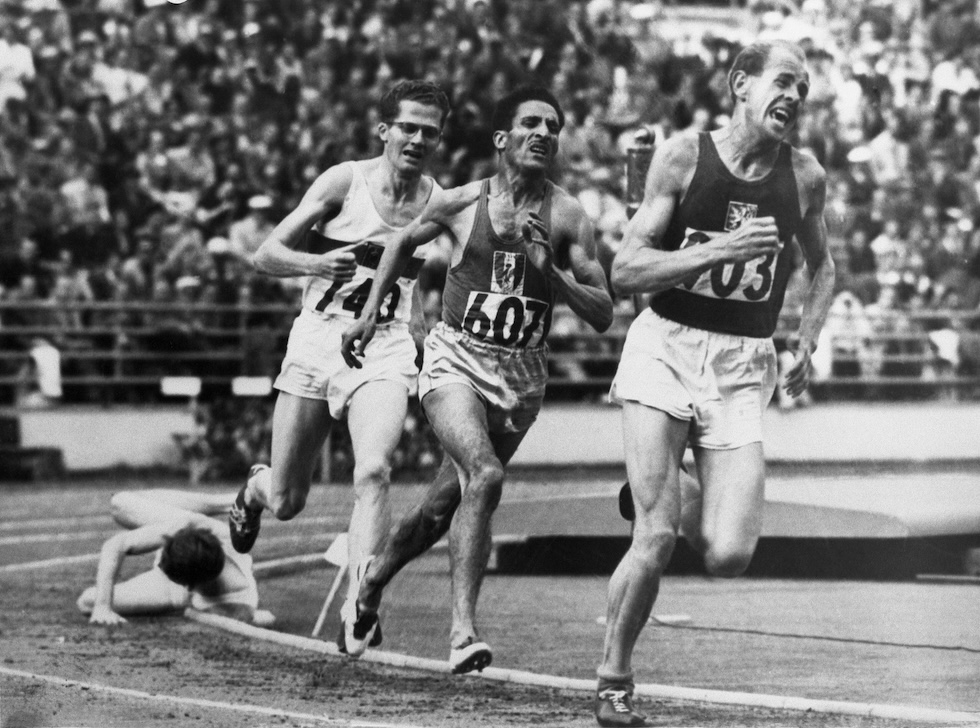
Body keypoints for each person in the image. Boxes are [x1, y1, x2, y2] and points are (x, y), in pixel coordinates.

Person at [595, 40, 836, 727]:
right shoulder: (682, 155)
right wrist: (716, 249)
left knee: (729, 554)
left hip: (741, 365)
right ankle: (614, 680)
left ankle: (671, 490)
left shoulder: (806, 176)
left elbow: (823, 268)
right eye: (783, 82)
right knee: (658, 536)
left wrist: (807, 338)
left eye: (804, 89)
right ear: (740, 84)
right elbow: (626, 272)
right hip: (666, 349)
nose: (794, 97)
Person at [340, 86, 615, 673]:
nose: (544, 133)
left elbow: (603, 311)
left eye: (553, 125)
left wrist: (554, 276)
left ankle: (371, 582)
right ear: (502, 139)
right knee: (484, 476)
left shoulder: (567, 216)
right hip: (455, 361)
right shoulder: (464, 202)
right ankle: (462, 632)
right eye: (531, 123)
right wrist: (369, 315)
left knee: (442, 506)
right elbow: (397, 243)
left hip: (521, 376)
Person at [226, 80, 450, 652]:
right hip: (317, 342)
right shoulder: (343, 181)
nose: (418, 139)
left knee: (373, 471)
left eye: (429, 131)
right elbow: (265, 253)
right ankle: (252, 492)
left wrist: (421, 334)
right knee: (286, 501)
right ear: (385, 131)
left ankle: (361, 604)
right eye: (408, 127)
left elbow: (414, 281)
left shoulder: (436, 200)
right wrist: (316, 262)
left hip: (385, 346)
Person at [77, 488, 274, 627]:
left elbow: (256, 617)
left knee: (87, 601)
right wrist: (103, 606)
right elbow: (115, 545)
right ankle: (226, 502)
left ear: (187, 585)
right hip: (191, 549)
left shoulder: (241, 596)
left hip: (178, 590)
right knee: (120, 503)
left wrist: (256, 617)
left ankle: (229, 501)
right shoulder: (195, 527)